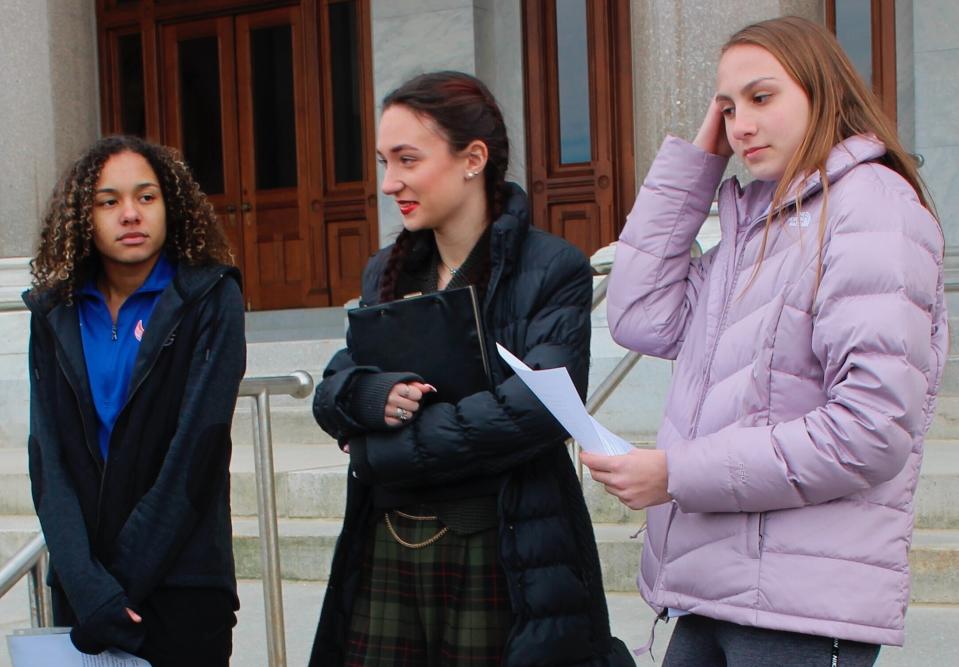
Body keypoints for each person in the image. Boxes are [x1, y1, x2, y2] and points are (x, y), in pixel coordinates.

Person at [581, 15, 946, 667]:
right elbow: (637, 314)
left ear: (821, 90)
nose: (738, 123)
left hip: (799, 608)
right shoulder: (757, 224)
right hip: (714, 591)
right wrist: (695, 163)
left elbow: (868, 430)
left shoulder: (872, 210)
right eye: (724, 107)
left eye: (760, 97)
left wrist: (675, 473)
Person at [309, 71, 633, 666]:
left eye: (407, 159)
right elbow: (333, 387)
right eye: (385, 161)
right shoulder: (390, 269)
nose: (390, 183)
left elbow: (537, 408)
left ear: (473, 158)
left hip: (501, 543)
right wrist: (369, 394)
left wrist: (381, 450)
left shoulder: (550, 266)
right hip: (388, 542)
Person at [24, 135, 245, 666]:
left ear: (171, 205)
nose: (130, 214)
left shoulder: (210, 298)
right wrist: (86, 583)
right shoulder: (53, 311)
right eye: (109, 201)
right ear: (84, 214)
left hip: (182, 581)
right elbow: (47, 461)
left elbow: (197, 453)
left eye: (146, 197)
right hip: (85, 590)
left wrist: (119, 583)